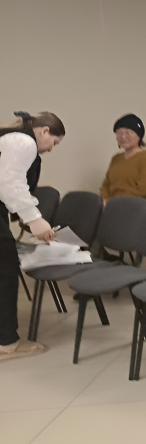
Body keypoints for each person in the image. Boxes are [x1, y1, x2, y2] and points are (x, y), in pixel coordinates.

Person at [0, 111, 65, 362]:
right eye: (54, 142)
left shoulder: (10, 135)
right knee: (5, 270)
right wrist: (35, 221)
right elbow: (10, 184)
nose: (51, 149)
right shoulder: (24, 141)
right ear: (44, 131)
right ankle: (6, 343)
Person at [100, 114, 146, 203]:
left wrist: (115, 202)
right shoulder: (116, 158)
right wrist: (104, 200)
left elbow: (142, 190)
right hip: (113, 205)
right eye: (119, 133)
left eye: (128, 133)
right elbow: (106, 185)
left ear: (139, 136)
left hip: (137, 205)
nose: (123, 136)